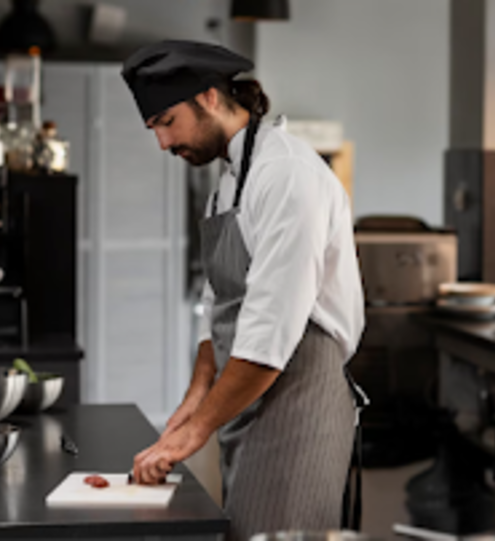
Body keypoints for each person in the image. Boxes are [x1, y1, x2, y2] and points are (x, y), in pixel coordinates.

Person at [120, 40, 367, 541]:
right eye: (155, 129)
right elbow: (220, 304)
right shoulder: (230, 184)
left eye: (167, 121)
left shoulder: (288, 176)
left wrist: (194, 433)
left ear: (209, 97)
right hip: (250, 397)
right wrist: (196, 395)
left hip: (299, 396)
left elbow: (270, 334)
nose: (163, 144)